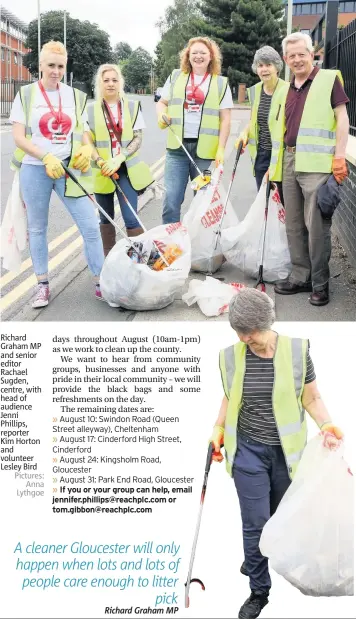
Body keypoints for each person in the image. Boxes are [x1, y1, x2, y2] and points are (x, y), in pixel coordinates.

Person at [210, 288, 344, 619]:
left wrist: (327, 425)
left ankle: (260, 552)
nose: (243, 338)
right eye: (238, 331)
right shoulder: (229, 356)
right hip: (248, 454)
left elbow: (310, 398)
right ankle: (259, 590)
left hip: (288, 455)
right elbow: (230, 397)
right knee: (254, 522)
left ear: (267, 322)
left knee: (281, 518)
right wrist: (219, 429)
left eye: (250, 331)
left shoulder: (297, 351)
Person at [9, 40, 104, 308]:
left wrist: (87, 148)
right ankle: (42, 285)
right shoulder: (26, 95)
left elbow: (83, 130)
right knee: (38, 229)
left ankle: (101, 281)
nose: (55, 71)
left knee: (90, 225)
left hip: (69, 169)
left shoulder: (74, 96)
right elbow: (18, 137)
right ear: (40, 65)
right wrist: (45, 156)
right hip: (35, 169)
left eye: (60, 66)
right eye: (50, 65)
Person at [274, 32, 350, 307]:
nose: (297, 59)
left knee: (316, 227)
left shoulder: (329, 79)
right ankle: (300, 276)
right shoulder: (285, 88)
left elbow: (342, 118)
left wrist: (340, 156)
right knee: (293, 226)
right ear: (286, 59)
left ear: (312, 54)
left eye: (301, 54)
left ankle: (320, 284)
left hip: (317, 165)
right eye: (291, 55)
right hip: (290, 161)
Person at [156, 36, 234, 224]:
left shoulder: (221, 83)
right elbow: (162, 103)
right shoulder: (176, 77)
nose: (198, 56)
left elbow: (225, 119)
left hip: (204, 153)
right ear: (188, 56)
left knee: (203, 202)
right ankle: (171, 243)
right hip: (177, 149)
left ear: (211, 57)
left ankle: (198, 244)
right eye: (194, 52)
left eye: (203, 53)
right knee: (171, 201)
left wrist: (221, 149)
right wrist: (161, 115)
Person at [88, 64, 153, 256]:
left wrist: (120, 157)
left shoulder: (132, 106)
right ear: (100, 83)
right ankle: (108, 259)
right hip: (102, 171)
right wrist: (100, 161)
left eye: (114, 80)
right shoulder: (90, 109)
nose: (110, 84)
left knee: (131, 219)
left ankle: (138, 259)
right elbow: (87, 141)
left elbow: (138, 137)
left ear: (120, 83)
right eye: (106, 80)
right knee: (106, 219)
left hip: (126, 169)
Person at [235, 46, 288, 201]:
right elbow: (254, 120)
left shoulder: (288, 89)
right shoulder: (255, 90)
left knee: (282, 202)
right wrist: (245, 133)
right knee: (263, 201)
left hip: (282, 156)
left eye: (268, 64)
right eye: (260, 65)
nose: (264, 69)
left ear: (277, 67)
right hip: (262, 155)